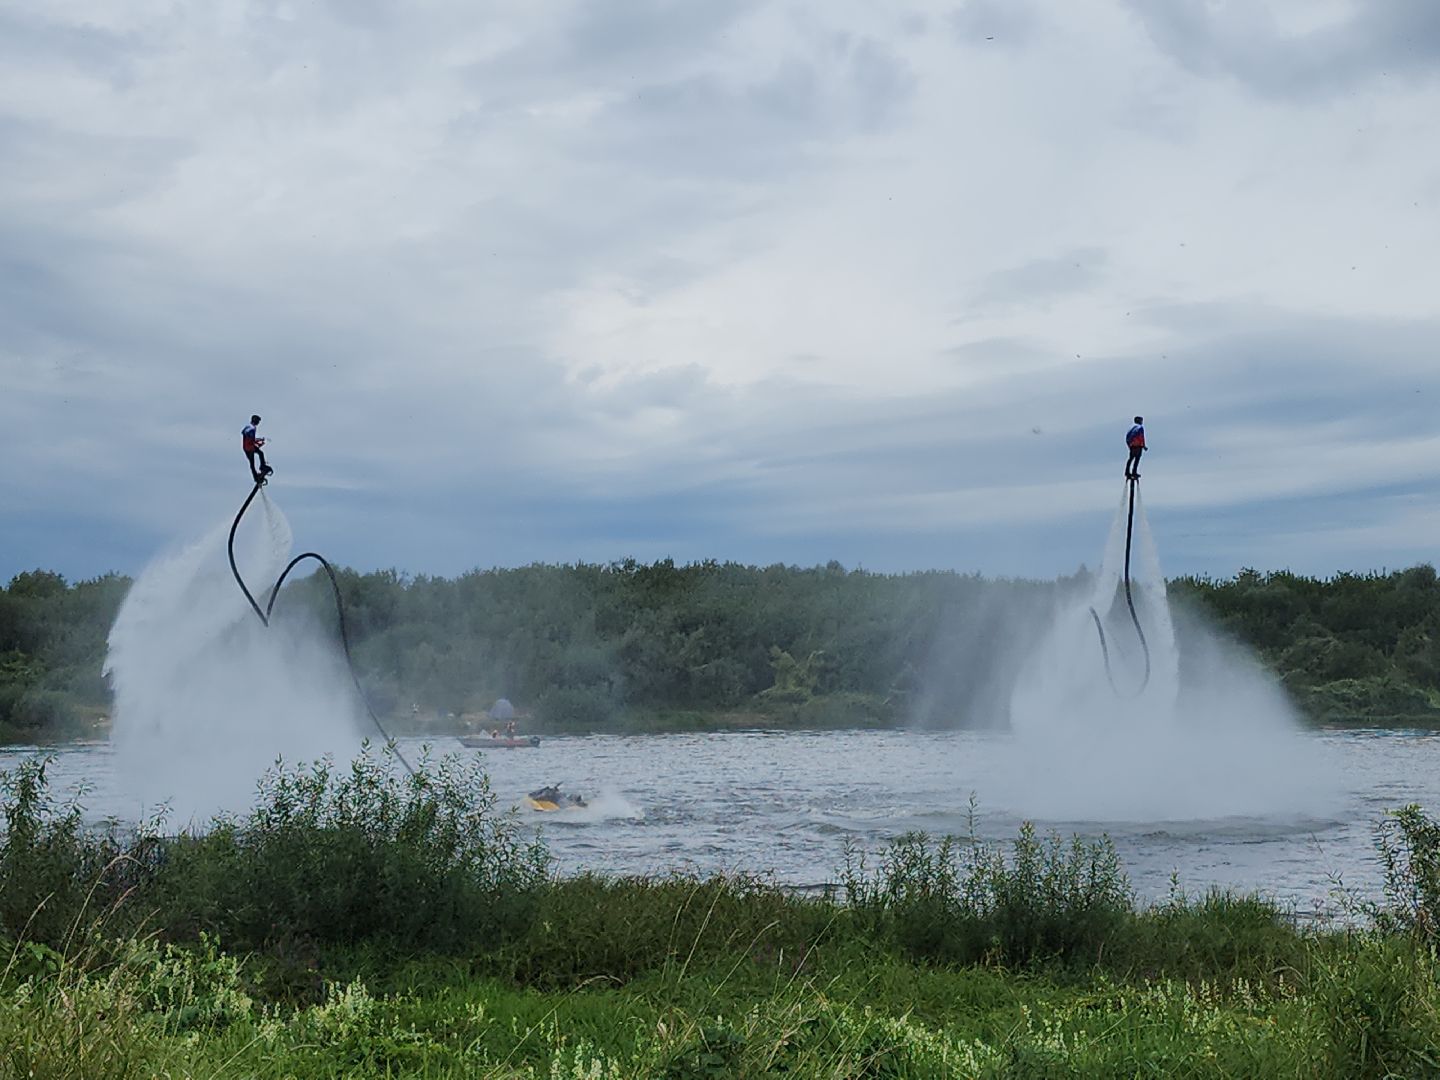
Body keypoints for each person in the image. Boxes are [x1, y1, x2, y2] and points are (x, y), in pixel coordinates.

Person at [242, 414, 272, 483]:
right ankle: (256, 477)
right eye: (258, 421)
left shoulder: (249, 427)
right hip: (249, 448)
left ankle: (262, 467)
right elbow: (252, 439)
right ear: (255, 421)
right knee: (252, 463)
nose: (258, 423)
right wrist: (259, 442)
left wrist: (260, 440)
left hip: (248, 447)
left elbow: (246, 435)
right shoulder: (252, 429)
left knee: (260, 453)